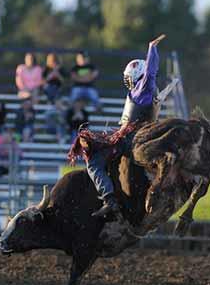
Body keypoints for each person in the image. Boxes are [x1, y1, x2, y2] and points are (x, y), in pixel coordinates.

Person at [68, 35, 166, 218]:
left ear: (136, 76)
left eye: (130, 77)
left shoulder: (142, 89)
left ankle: (109, 199)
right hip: (137, 133)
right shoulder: (151, 91)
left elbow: (151, 71)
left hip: (129, 137)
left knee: (94, 163)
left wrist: (152, 48)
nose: (127, 81)